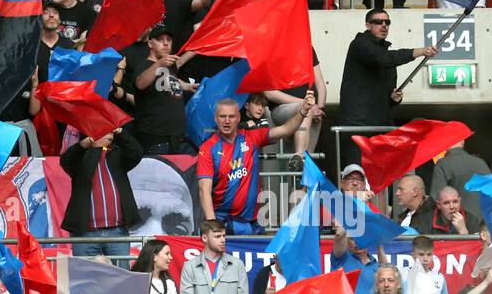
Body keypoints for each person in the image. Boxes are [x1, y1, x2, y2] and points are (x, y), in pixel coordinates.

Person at [196, 93, 318, 234]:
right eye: (223, 117)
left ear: (239, 118)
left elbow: (286, 129)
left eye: (231, 116)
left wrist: (303, 110)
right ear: (216, 119)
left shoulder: (252, 137)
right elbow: (203, 190)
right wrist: (213, 226)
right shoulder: (208, 148)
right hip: (223, 223)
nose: (227, 121)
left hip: (253, 223)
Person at [339, 10, 436, 148]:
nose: (384, 25)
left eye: (387, 22)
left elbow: (387, 97)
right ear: (368, 25)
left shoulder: (386, 54)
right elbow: (382, 58)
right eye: (378, 22)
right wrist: (420, 51)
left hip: (380, 125)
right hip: (358, 125)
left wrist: (394, 98)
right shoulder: (359, 44)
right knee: (357, 168)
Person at [59, 126, 145, 255]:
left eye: (111, 130)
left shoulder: (117, 154)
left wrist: (121, 133)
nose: (110, 132)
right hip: (85, 233)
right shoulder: (81, 158)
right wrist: (83, 145)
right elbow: (66, 160)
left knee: (121, 275)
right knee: (85, 274)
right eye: (105, 129)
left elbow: (137, 152)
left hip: (118, 232)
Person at [131, 25, 195, 154]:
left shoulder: (169, 68)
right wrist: (159, 64)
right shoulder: (144, 65)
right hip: (156, 137)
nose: (166, 43)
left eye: (169, 39)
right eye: (160, 39)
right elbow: (140, 83)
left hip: (177, 137)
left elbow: (168, 81)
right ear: (150, 43)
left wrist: (187, 86)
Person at [179, 220, 249, 294]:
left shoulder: (237, 265)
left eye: (224, 236)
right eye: (217, 236)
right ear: (205, 238)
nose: (223, 240)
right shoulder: (190, 267)